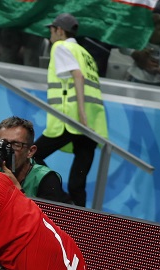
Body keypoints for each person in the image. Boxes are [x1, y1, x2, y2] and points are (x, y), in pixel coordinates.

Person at [32, 13, 108, 207]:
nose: (50, 35)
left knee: (32, 155)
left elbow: (78, 76)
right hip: (90, 126)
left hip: (71, 120)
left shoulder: (61, 46)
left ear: (59, 31)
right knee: (78, 184)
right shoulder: (85, 53)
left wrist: (80, 114)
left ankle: (60, 198)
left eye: (51, 30)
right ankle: (79, 219)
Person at [122, 13, 160, 87]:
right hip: (137, 78)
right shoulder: (141, 42)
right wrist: (136, 53)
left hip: (157, 82)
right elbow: (123, 47)